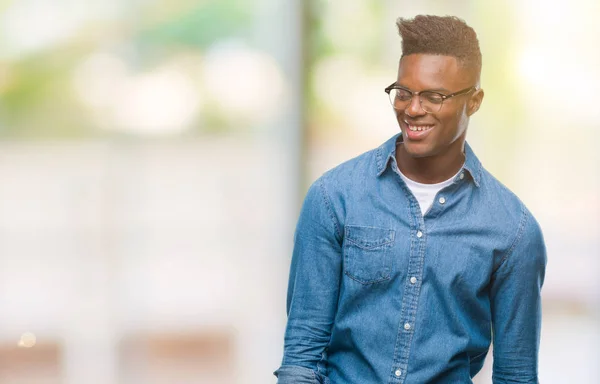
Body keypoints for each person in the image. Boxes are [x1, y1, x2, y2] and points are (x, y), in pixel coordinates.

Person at [274, 15, 547, 384]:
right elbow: (303, 356)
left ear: (475, 101)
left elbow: (516, 375)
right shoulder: (333, 198)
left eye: (434, 96)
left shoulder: (513, 231)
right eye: (403, 92)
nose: (413, 109)